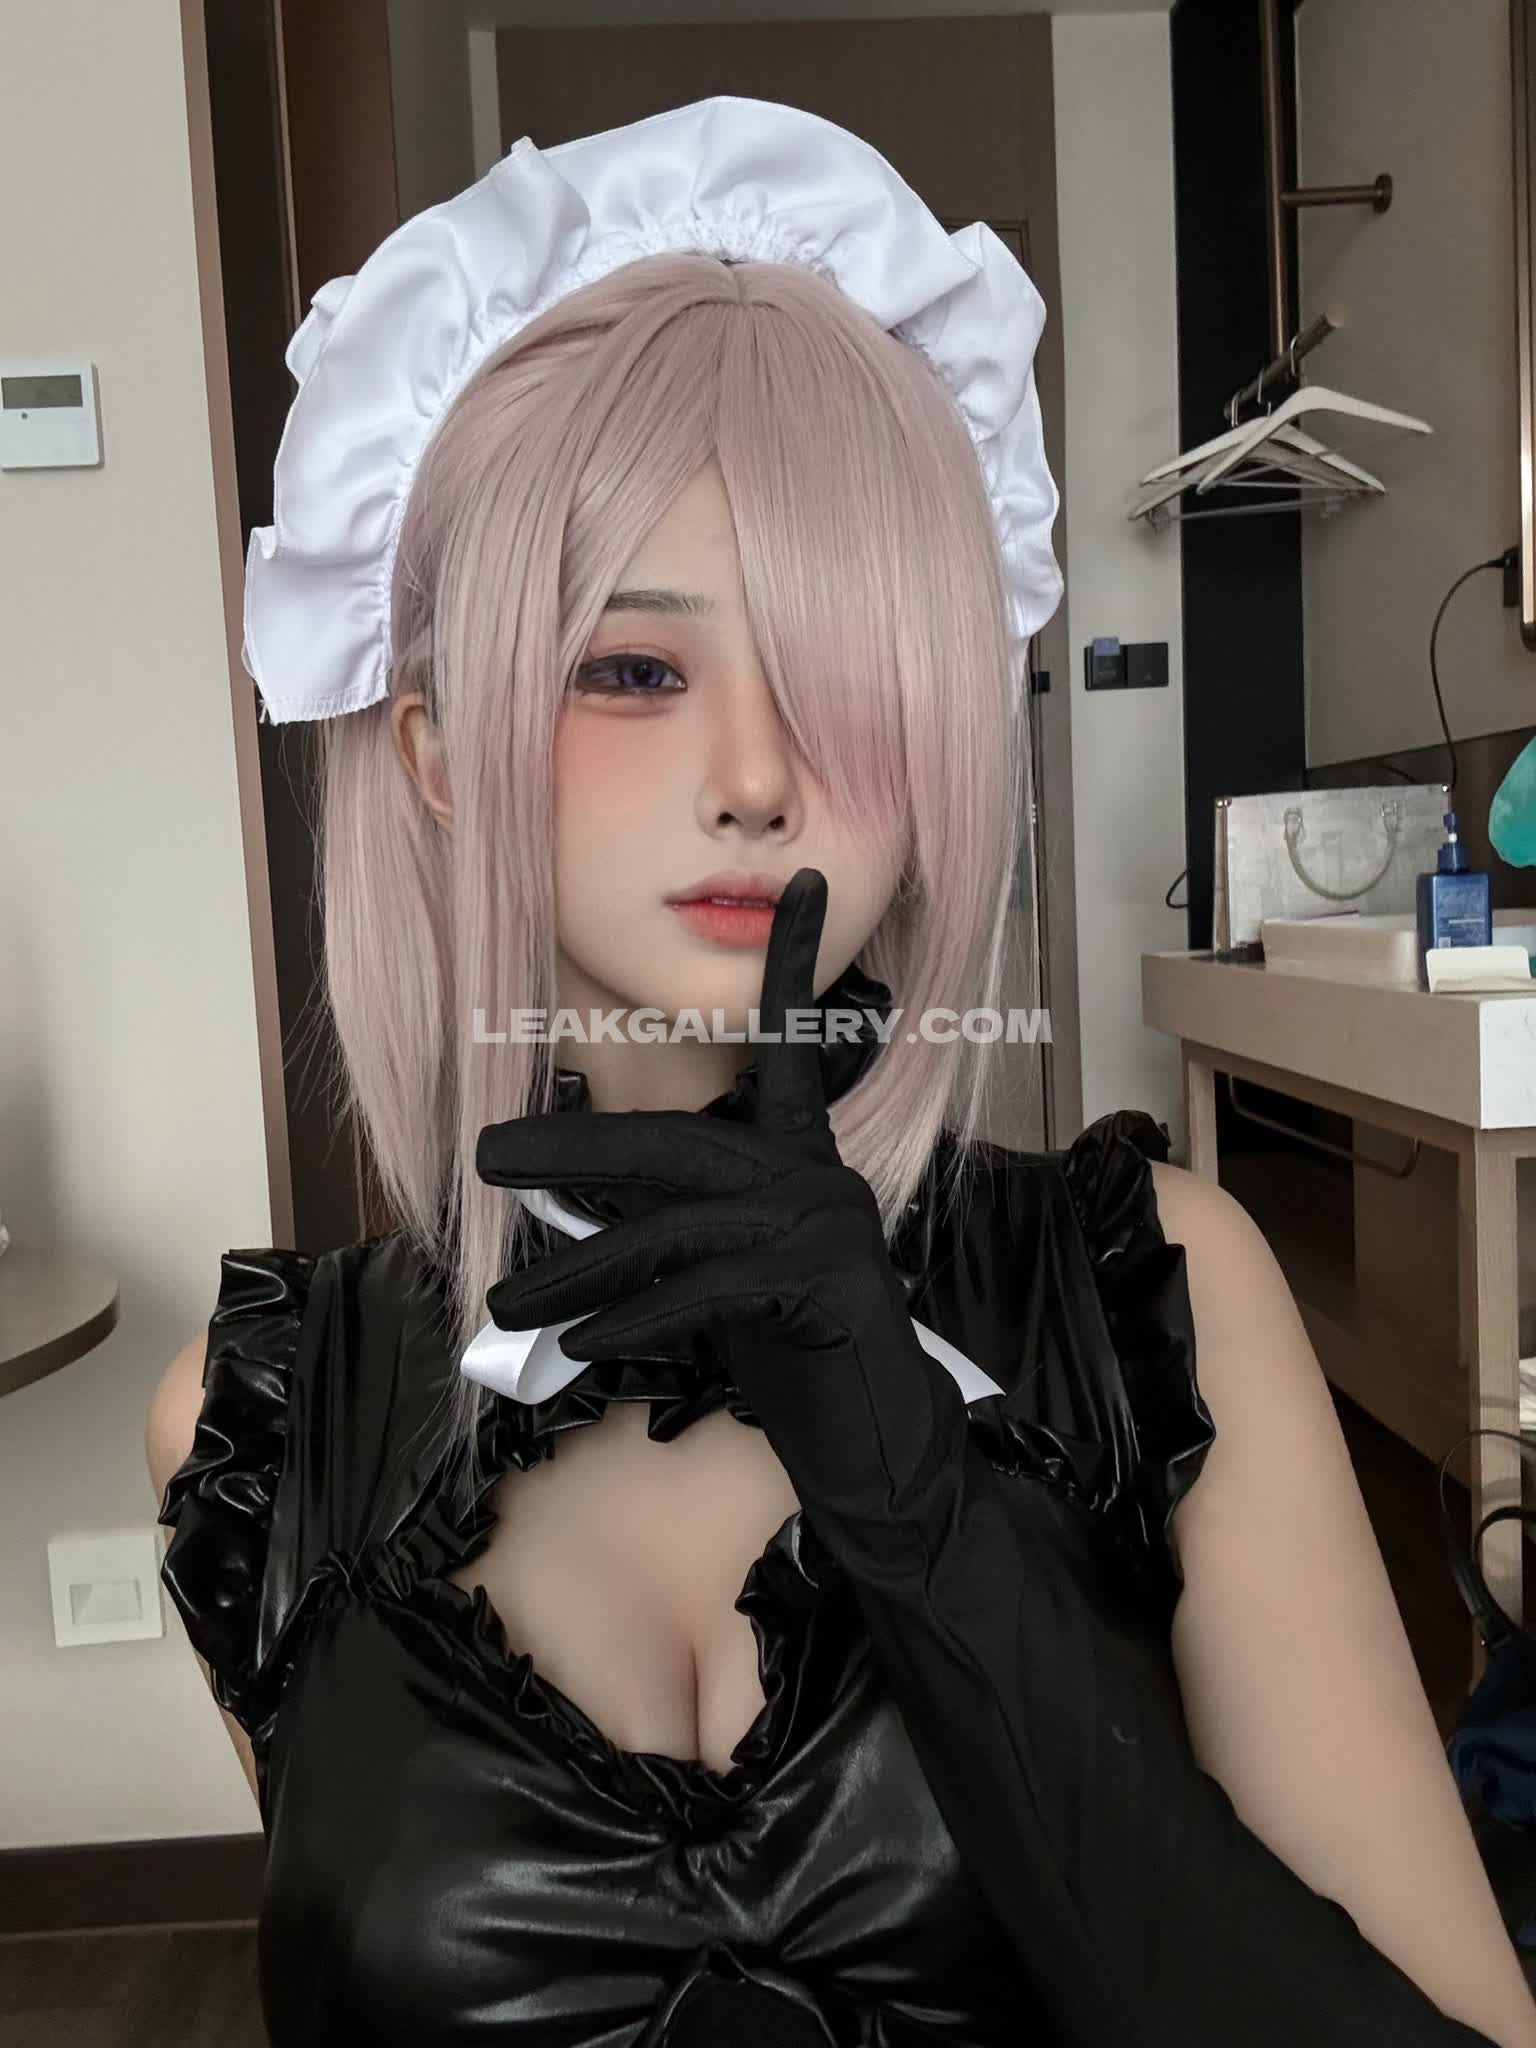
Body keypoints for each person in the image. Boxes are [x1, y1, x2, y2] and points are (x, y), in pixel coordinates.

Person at [145, 97, 1536, 2046]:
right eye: (633, 668)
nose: (759, 775)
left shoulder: (1158, 1292)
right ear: (437, 747)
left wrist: (928, 1524)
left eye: (849, 672)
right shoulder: (254, 1423)